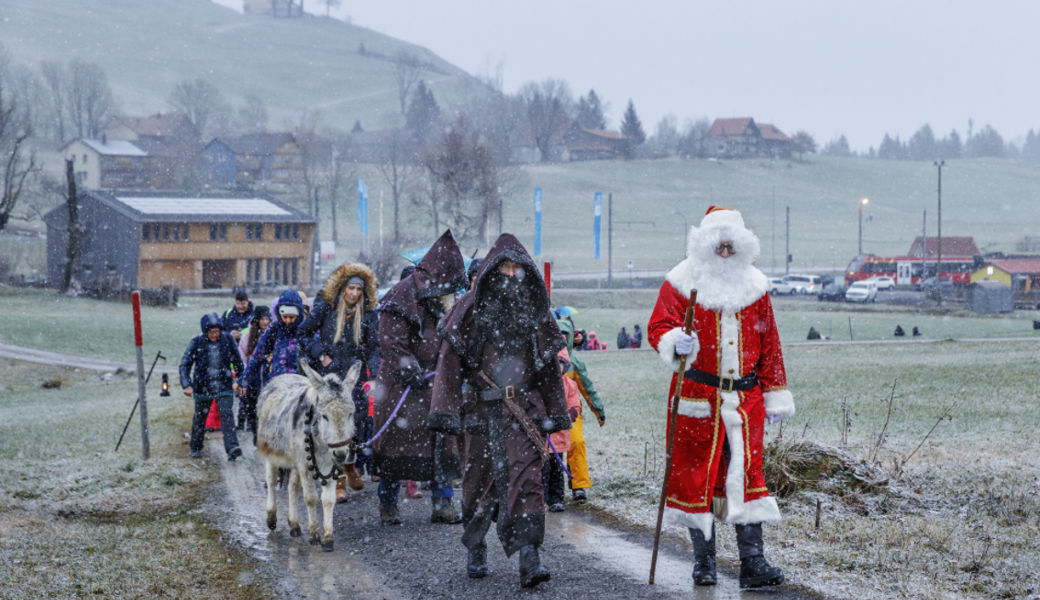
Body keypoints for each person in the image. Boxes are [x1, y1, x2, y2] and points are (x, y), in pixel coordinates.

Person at [648, 206, 794, 589]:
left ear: (741, 247)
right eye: (719, 247)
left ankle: (752, 563)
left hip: (746, 403)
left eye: (731, 247)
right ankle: (704, 563)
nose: (725, 254)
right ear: (706, 246)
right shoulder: (681, 282)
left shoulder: (756, 288)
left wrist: (775, 392)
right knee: (700, 479)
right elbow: (659, 325)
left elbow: (770, 345)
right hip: (698, 396)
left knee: (747, 477)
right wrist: (673, 342)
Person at [428, 233, 571, 589]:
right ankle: (476, 546)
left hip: (521, 412)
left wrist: (554, 411)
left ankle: (529, 559)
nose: (509, 273)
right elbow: (448, 365)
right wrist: (445, 412)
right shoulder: (468, 310)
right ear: (492, 269)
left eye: (516, 267)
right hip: (479, 411)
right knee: (477, 484)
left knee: (527, 481)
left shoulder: (534, 309)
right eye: (503, 266)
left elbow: (548, 368)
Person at [372, 231, 468, 525]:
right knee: (394, 445)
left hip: (437, 384)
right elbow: (390, 339)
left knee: (443, 441)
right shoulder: (401, 294)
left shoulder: (442, 298)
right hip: (400, 387)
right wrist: (409, 368)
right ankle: (388, 504)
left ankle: (443, 503)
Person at [297, 263, 380, 501]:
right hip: (329, 376)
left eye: (358, 290)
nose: (354, 293)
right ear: (342, 288)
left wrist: (373, 375)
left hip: (354, 376)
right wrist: (321, 355)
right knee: (330, 425)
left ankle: (349, 465)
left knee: (353, 422)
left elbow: (374, 347)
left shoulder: (368, 313)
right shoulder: (326, 307)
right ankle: (339, 479)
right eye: (350, 288)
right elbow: (303, 333)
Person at [180, 313, 244, 461]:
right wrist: (186, 384)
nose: (215, 335)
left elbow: (239, 362)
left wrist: (241, 382)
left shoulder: (227, 339)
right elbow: (185, 364)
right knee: (200, 418)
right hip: (203, 387)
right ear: (205, 332)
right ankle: (195, 446)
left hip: (224, 385)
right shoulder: (197, 343)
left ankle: (232, 448)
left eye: (217, 331)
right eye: (211, 332)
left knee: (227, 416)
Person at [555, 317, 606, 503]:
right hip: (549, 415)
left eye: (565, 334)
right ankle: (551, 491)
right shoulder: (546, 359)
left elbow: (588, 388)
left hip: (572, 414)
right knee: (550, 451)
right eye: (558, 334)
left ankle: (579, 485)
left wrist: (598, 410)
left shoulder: (575, 363)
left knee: (576, 443)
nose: (561, 338)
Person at [542, 347, 581, 513]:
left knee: (556, 469)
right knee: (543, 470)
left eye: (560, 363)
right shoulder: (539, 384)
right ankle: (541, 499)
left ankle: (556, 499)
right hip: (541, 438)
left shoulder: (570, 385)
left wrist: (558, 418)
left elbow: (574, 409)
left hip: (558, 437)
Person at [236, 305, 271, 441]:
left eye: (267, 319)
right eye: (262, 319)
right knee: (252, 410)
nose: (265, 322)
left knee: (266, 411)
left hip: (268, 380)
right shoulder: (248, 336)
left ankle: (265, 437)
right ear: (257, 320)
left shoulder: (272, 334)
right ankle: (257, 437)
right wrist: (246, 375)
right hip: (253, 380)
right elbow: (242, 357)